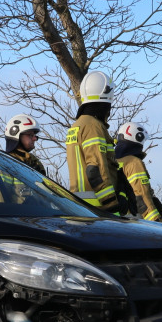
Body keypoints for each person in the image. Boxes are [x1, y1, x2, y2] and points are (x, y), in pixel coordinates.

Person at [66, 71, 127, 214]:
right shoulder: (93, 126)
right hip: (98, 207)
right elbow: (96, 168)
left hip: (80, 205)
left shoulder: (77, 126)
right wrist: (111, 202)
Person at [114, 122, 162, 223]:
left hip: (118, 219)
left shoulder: (112, 160)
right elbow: (142, 196)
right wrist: (158, 221)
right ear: (137, 138)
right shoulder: (134, 162)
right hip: (134, 220)